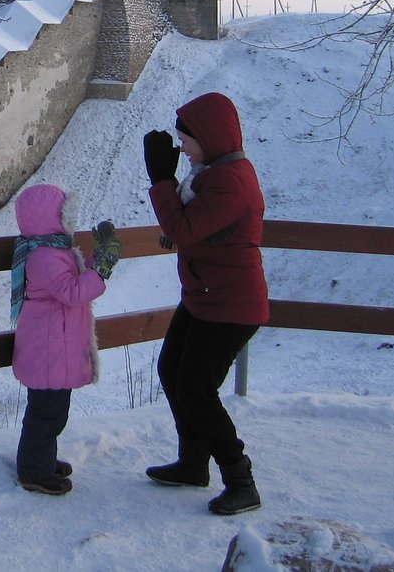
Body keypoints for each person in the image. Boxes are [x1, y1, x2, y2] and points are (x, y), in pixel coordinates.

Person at [142, 91, 269, 516]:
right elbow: (188, 228)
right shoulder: (208, 174)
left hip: (230, 304)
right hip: (205, 296)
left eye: (186, 140)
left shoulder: (229, 181)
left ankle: (240, 479)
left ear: (210, 137)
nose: (181, 148)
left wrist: (160, 179)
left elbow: (185, 228)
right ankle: (193, 463)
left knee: (196, 390)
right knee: (172, 371)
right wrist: (174, 213)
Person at [10, 183, 120, 496]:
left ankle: (41, 460)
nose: (70, 221)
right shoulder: (46, 257)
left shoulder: (51, 250)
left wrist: (97, 261)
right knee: (45, 413)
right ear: (52, 219)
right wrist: (101, 267)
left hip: (53, 346)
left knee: (53, 411)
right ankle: (33, 470)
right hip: (49, 349)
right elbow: (73, 292)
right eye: (65, 215)